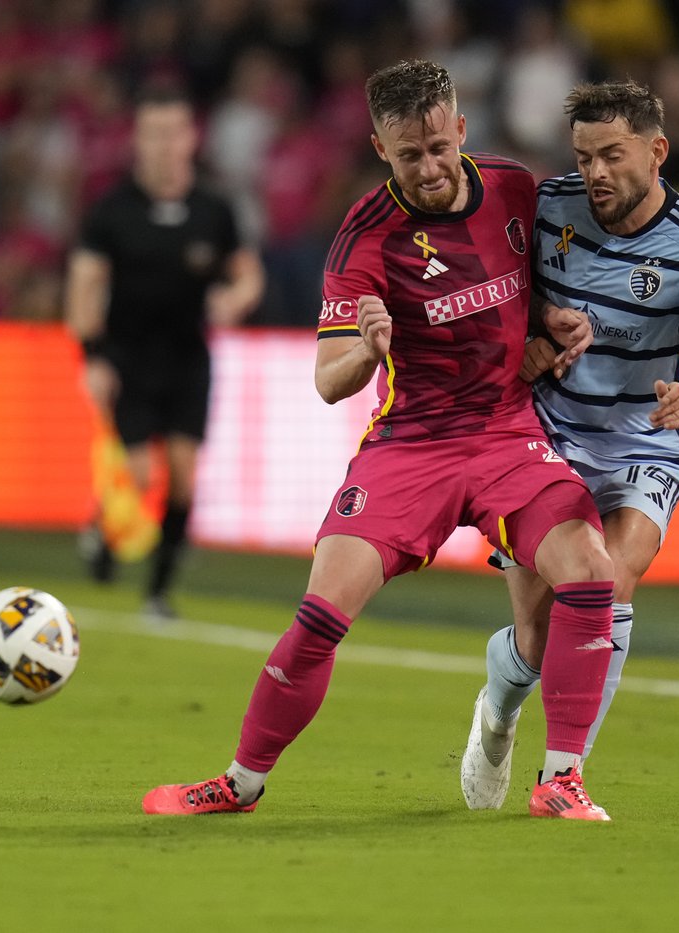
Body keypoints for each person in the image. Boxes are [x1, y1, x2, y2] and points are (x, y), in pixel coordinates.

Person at [143, 59, 616, 821]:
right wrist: (366, 347)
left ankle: (560, 777)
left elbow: (547, 284)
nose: (429, 168)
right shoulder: (366, 235)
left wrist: (556, 320)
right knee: (322, 611)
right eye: (409, 155)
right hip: (412, 445)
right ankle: (241, 781)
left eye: (438, 147)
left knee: (590, 571)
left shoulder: (515, 188)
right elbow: (330, 379)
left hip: (505, 432)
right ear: (380, 149)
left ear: (459, 129)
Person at [460, 80, 679, 812]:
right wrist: (525, 342)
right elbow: (495, 308)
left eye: (612, 155)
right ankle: (499, 708)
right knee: (534, 633)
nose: (596, 173)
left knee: (610, 580)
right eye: (584, 156)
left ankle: (562, 774)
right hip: (541, 434)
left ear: (657, 151)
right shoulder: (547, 207)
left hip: (640, 440)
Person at [65, 86, 264, 617]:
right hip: (128, 354)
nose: (163, 144)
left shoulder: (214, 210)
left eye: (173, 132)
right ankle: (105, 529)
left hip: (187, 356)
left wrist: (233, 298)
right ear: (137, 140)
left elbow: (248, 275)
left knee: (182, 474)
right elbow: (84, 284)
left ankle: (157, 591)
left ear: (191, 139)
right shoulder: (112, 211)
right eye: (153, 133)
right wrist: (92, 355)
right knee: (139, 475)